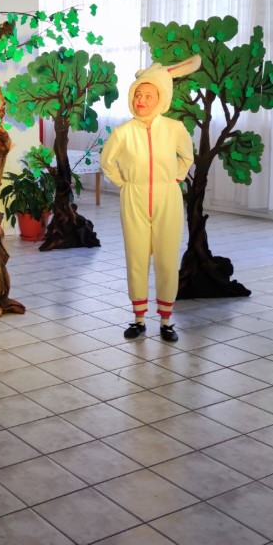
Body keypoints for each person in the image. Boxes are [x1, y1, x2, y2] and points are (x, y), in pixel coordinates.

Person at [100, 56, 199, 342]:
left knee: (167, 259)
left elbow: (187, 157)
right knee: (137, 258)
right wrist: (124, 183)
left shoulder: (174, 128)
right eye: (138, 94)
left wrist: (175, 179)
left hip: (168, 197)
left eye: (148, 95)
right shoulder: (123, 132)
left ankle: (167, 321)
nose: (141, 100)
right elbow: (107, 163)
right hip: (134, 197)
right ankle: (139, 319)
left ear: (161, 98)